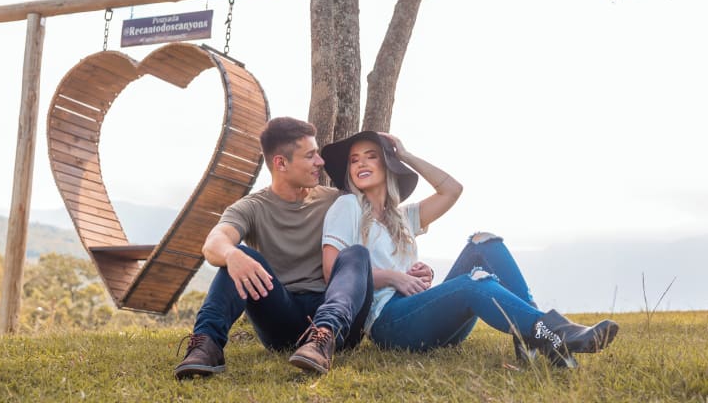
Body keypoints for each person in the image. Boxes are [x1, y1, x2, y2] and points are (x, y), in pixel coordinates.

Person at [319, 130, 618, 367]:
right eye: (354, 160)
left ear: (388, 165)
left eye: (371, 156)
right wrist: (394, 278)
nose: (361, 163)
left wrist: (406, 155)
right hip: (389, 323)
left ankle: (533, 333)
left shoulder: (403, 217)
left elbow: (452, 190)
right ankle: (553, 332)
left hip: (422, 314)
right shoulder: (348, 206)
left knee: (483, 242)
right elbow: (333, 272)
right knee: (473, 281)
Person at [174, 117, 373, 379]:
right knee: (238, 255)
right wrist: (232, 254)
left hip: (337, 322)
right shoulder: (252, 207)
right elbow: (213, 243)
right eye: (310, 155)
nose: (320, 162)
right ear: (281, 163)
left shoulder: (338, 201)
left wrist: (394, 153)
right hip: (281, 317)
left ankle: (323, 337)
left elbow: (388, 216)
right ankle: (207, 345)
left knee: (357, 254)